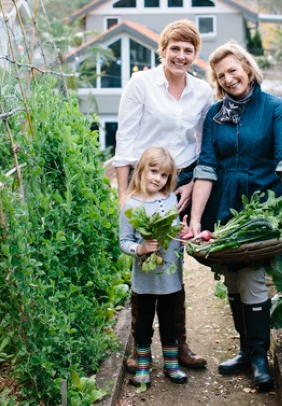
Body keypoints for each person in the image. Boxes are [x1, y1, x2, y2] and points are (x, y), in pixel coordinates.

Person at [189, 41, 282, 391]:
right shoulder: (213, 115)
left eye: (233, 70)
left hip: (260, 209)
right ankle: (245, 350)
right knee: (233, 277)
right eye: (221, 75)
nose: (228, 79)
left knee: (253, 277)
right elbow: (206, 167)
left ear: (247, 67)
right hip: (224, 208)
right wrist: (196, 219)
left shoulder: (273, 108)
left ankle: (258, 356)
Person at [112, 19, 213, 372]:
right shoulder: (141, 83)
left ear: (195, 55)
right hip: (147, 178)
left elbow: (204, 144)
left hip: (182, 178)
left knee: (173, 260)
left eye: (188, 51)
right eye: (175, 49)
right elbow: (125, 139)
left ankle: (178, 345)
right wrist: (125, 193)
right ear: (164, 49)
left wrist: (192, 181)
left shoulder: (202, 91)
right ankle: (139, 349)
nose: (181, 56)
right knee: (143, 258)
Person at [119, 147, 189, 388]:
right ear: (142, 170)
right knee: (144, 322)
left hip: (169, 275)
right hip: (145, 277)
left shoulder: (170, 199)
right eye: (154, 171)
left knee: (169, 319)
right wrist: (140, 249)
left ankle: (171, 364)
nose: (158, 179)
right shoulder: (130, 204)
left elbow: (174, 231)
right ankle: (143, 365)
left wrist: (182, 232)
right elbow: (123, 241)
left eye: (164, 176)